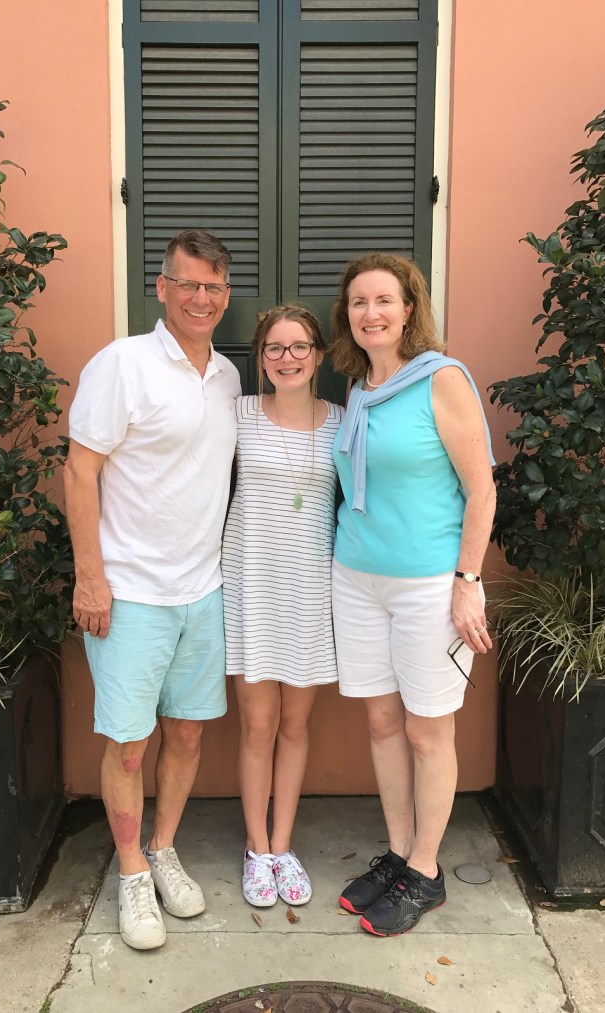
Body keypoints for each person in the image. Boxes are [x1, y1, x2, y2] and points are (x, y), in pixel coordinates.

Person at [64, 229, 241, 951]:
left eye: (214, 287)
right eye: (188, 283)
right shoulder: (123, 364)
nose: (201, 298)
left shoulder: (227, 376)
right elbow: (80, 471)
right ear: (161, 287)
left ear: (226, 296)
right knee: (130, 744)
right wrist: (90, 578)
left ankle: (163, 847)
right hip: (130, 593)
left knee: (188, 731)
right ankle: (131, 870)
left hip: (204, 590)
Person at [330, 252, 496, 937]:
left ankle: (425, 871)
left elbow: (482, 489)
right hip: (356, 578)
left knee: (428, 729)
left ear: (408, 309)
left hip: (429, 581)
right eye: (358, 302)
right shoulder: (359, 389)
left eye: (383, 300)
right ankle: (399, 855)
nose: (370, 312)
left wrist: (468, 581)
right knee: (381, 724)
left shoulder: (441, 378)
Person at [222, 305, 343, 908]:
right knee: (258, 726)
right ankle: (257, 849)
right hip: (250, 585)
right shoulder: (237, 413)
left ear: (318, 355)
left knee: (295, 726)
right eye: (274, 347)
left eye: (299, 347)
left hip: (310, 588)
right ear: (260, 357)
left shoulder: (343, 420)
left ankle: (284, 844)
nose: (287, 358)